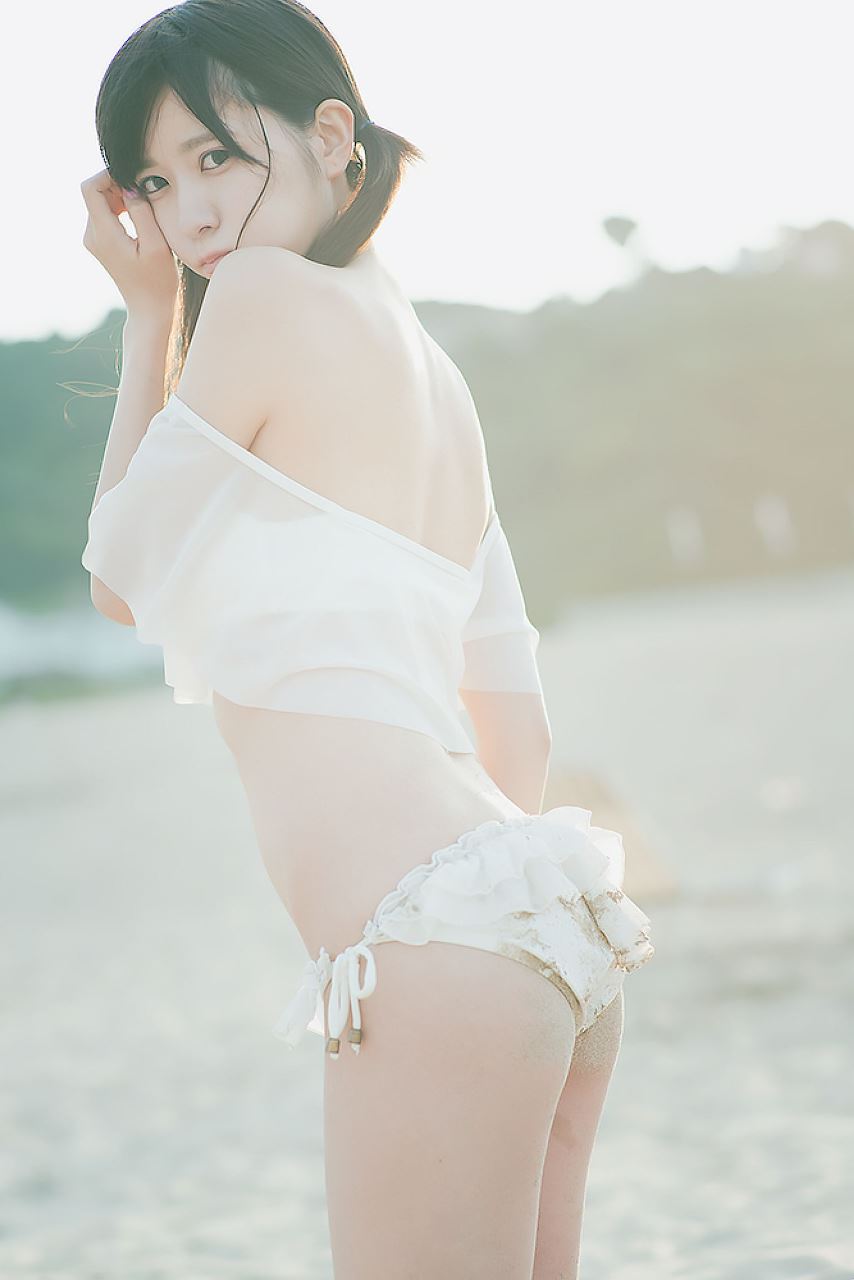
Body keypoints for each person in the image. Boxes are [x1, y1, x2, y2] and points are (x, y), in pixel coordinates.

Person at [79, 2, 655, 1275]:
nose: (189, 213)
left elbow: (121, 572)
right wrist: (479, 941)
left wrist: (145, 313)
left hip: (433, 937)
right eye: (155, 183)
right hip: (545, 914)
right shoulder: (440, 384)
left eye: (216, 154)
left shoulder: (262, 296)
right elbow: (517, 731)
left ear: (332, 134)